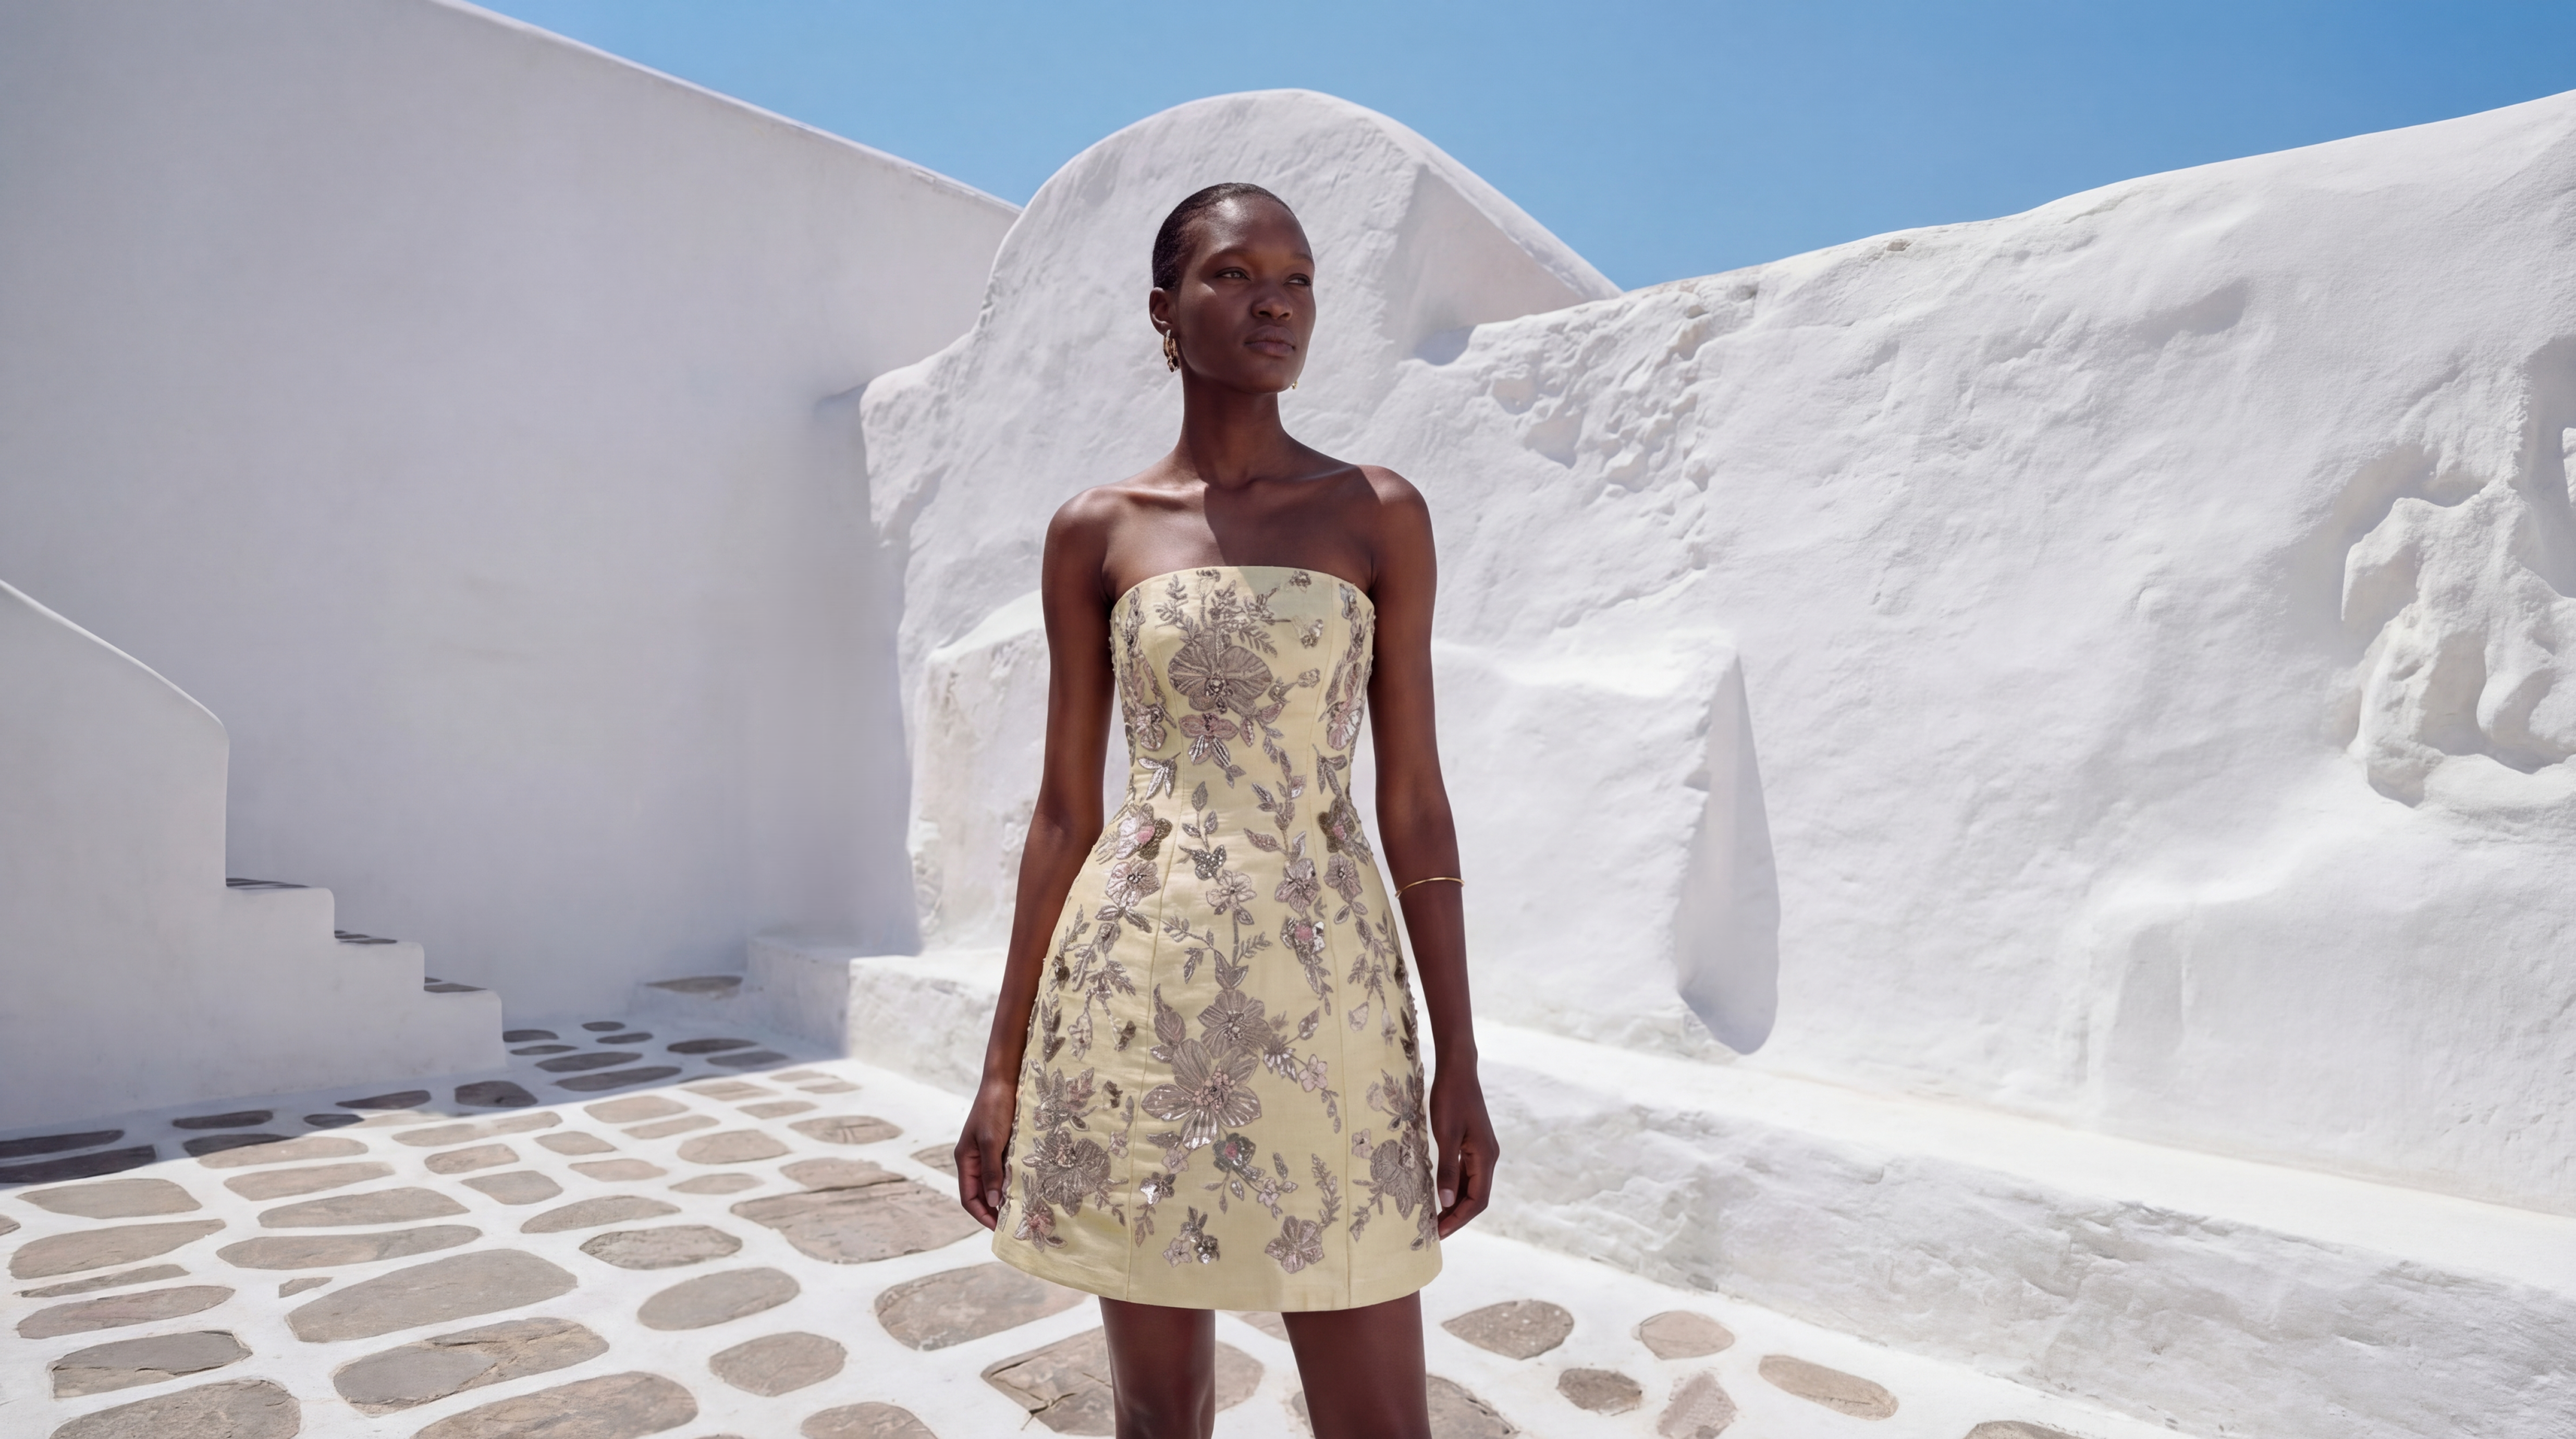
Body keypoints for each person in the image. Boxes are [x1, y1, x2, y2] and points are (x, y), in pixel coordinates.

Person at [952, 181, 1499, 1439]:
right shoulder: (1096, 531)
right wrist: (1001, 1065)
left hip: (1330, 993)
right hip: (1133, 996)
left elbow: (1414, 802)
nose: (1275, 303)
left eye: (1297, 278)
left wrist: (1458, 1057)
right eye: (1235, 275)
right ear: (1164, 309)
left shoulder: (1378, 513)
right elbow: (1063, 814)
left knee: (1379, 1423)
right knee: (1158, 1418)